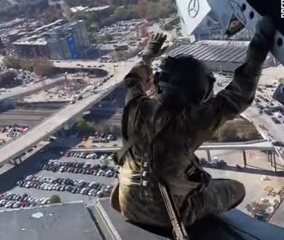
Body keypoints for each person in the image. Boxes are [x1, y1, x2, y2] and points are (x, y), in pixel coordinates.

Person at [111, 17, 275, 230]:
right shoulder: (193, 120)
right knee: (236, 189)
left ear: (161, 83)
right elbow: (239, 94)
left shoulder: (135, 105)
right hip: (169, 215)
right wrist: (260, 44)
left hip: (127, 205)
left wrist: (148, 57)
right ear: (199, 93)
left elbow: (132, 80)